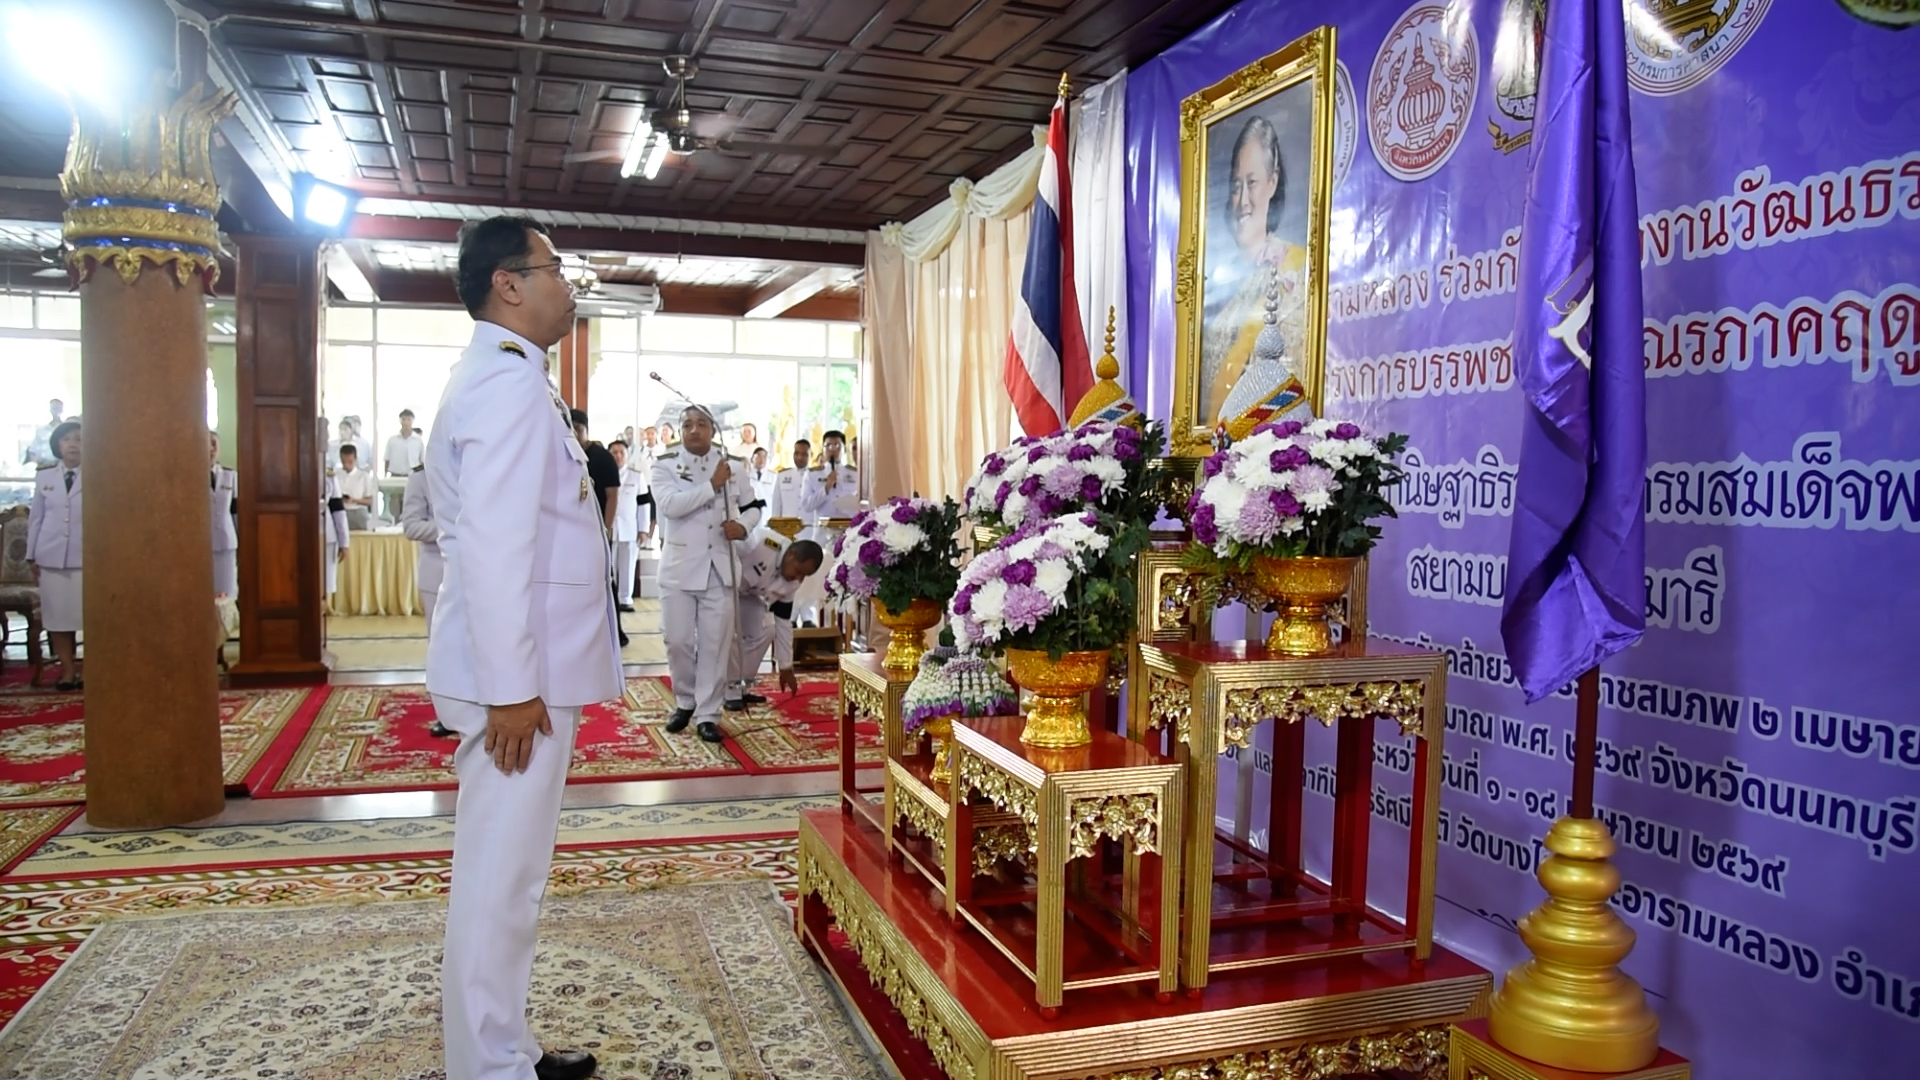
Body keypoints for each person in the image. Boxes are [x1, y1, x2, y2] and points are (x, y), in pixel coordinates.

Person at [427, 214, 610, 1080]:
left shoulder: (512, 377)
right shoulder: (503, 384)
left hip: (524, 665)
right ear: (509, 283)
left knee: (511, 873)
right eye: (554, 267)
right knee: (502, 877)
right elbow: (498, 546)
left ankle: (503, 1046)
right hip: (514, 676)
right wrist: (509, 688)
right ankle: (488, 1067)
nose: (565, 283)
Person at [650, 404, 761, 743]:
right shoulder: (664, 465)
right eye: (687, 425)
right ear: (680, 430)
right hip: (680, 569)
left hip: (720, 568)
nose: (694, 430)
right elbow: (670, 506)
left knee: (715, 645)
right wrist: (712, 485)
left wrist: (742, 527)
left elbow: (753, 507)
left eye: (701, 424)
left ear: (713, 429)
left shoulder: (734, 466)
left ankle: (708, 713)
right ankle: (685, 699)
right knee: (678, 641)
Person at [1200, 114, 1310, 425]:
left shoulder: (1294, 271)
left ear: (1273, 182)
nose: (1243, 200)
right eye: (1236, 186)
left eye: (1252, 183)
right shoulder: (1220, 282)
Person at [725, 532, 822, 711]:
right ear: (791, 555)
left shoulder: (792, 582)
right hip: (724, 592)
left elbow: (783, 621)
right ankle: (728, 691)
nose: (798, 578)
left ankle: (741, 688)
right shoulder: (761, 544)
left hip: (750, 597)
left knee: (767, 629)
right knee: (730, 632)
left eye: (804, 576)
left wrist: (786, 666)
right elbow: (725, 551)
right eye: (799, 571)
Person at [25, 422, 83, 690]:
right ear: (58, 445)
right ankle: (68, 671)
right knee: (58, 617)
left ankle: (91, 668)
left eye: (79, 439)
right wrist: (31, 555)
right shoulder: (45, 477)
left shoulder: (100, 474)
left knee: (86, 617)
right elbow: (36, 518)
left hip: (85, 559)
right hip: (51, 558)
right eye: (67, 439)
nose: (73, 444)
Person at [570, 408, 629, 646]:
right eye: (570, 427)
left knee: (605, 579)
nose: (574, 433)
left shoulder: (602, 457)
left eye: (579, 428)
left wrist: (606, 528)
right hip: (571, 531)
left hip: (597, 529)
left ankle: (615, 631)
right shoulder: (563, 454)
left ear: (586, 430)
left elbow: (612, 496)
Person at [800, 428, 860, 523]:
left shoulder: (855, 474)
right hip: (823, 532)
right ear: (823, 450)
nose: (832, 450)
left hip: (847, 530)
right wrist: (826, 488)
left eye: (837, 445)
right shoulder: (812, 475)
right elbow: (806, 506)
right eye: (828, 446)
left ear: (844, 449)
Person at [607, 439, 639, 612]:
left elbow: (643, 504)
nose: (618, 456)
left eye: (621, 452)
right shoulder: (605, 473)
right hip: (610, 526)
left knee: (628, 564)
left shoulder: (636, 476)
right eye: (614, 452)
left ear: (627, 455)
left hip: (629, 527)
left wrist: (643, 529)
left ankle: (625, 598)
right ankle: (609, 597)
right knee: (609, 564)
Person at [209, 430, 238, 597]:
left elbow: (236, 512)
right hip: (204, 545)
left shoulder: (230, 476)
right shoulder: (191, 477)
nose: (212, 448)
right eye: (208, 443)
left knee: (228, 592)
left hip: (227, 542)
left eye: (215, 444)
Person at [385, 408, 426, 517]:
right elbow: (387, 460)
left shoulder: (418, 441)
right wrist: (385, 477)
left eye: (409, 419)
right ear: (400, 421)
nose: (406, 422)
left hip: (412, 476)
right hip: (395, 476)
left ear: (412, 421)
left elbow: (422, 461)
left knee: (411, 505)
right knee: (394, 506)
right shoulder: (392, 440)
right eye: (404, 419)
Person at [321, 448, 350, 599]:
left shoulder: (328, 476)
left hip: (326, 533)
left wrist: (344, 542)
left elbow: (338, 510)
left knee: (324, 583)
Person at [335, 443, 377, 530]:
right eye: (344, 462)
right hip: (340, 511)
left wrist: (353, 500)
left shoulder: (363, 476)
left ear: (355, 459)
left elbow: (370, 501)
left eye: (350, 462)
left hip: (358, 512)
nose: (347, 465)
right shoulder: (335, 476)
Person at [769, 437, 811, 521]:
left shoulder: (816, 476)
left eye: (804, 454)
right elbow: (777, 505)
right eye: (797, 453)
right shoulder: (782, 475)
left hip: (809, 528)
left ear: (810, 455)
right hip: (787, 528)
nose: (799, 457)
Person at [24, 398, 62, 468]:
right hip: (43, 466)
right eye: (54, 408)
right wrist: (38, 464)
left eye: (58, 408)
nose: (56, 411)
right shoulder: (41, 430)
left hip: (61, 467)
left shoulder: (65, 429)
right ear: (50, 410)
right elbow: (33, 452)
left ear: (62, 410)